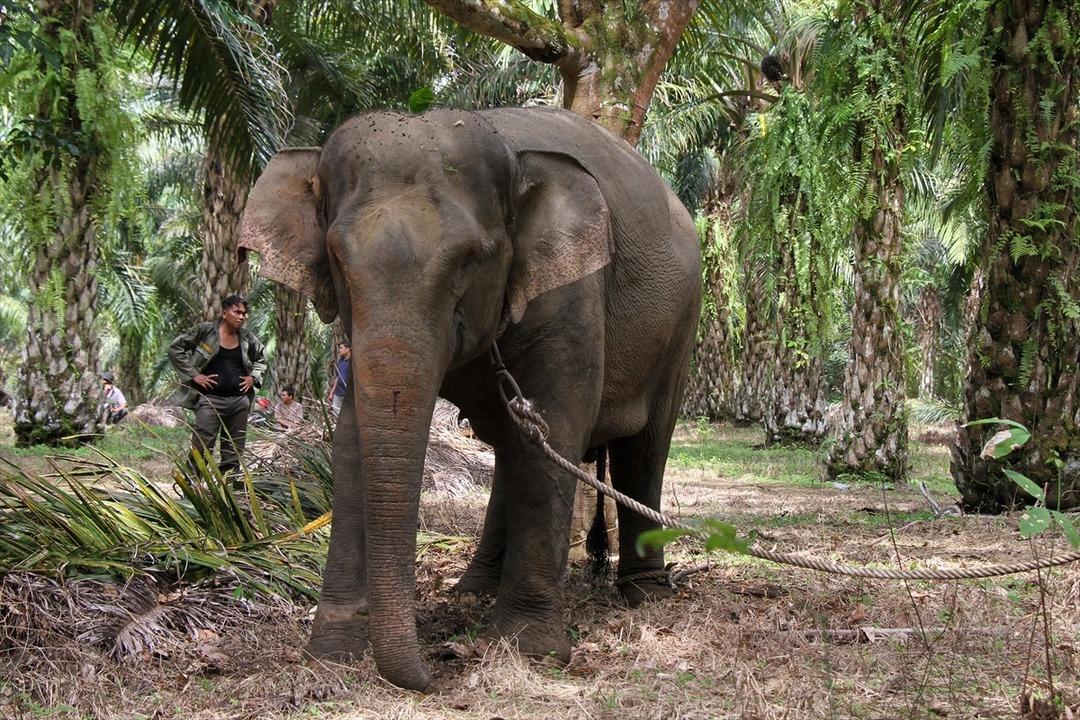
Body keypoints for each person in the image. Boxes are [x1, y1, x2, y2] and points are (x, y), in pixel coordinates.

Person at [168, 294, 267, 475]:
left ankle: (229, 493)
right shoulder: (205, 332)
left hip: (239, 402)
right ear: (224, 313)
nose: (242, 316)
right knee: (201, 448)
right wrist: (194, 375)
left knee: (234, 452)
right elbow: (176, 349)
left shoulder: (247, 338)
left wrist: (253, 377)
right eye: (237, 312)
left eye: (244, 313)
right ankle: (190, 491)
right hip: (210, 401)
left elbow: (261, 358)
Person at [326, 341, 351, 414]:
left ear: (347, 349)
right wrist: (331, 393)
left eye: (341, 348)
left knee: (347, 414)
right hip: (337, 393)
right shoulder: (340, 361)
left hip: (348, 393)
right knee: (336, 413)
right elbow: (337, 377)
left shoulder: (352, 362)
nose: (339, 350)